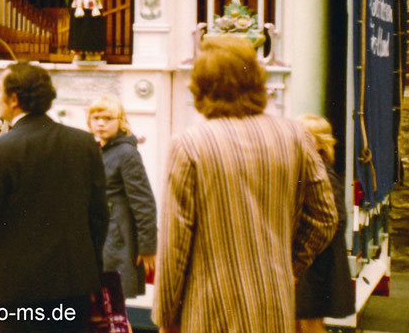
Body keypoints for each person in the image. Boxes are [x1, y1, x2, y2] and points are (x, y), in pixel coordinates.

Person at [153, 35, 338, 333]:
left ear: (203, 87)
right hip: (273, 303)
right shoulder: (295, 136)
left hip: (209, 309)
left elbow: (175, 243)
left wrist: (166, 317)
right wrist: (291, 265)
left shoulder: (189, 145)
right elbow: (324, 217)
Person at [0, 62, 108, 332]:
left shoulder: (1, 150)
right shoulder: (84, 143)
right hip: (72, 284)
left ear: (14, 99)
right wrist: (90, 271)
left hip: (18, 290)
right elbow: (99, 216)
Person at [87, 96, 157, 299]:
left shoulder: (126, 153)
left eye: (108, 118)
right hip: (103, 238)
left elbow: (143, 202)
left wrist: (147, 247)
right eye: (96, 117)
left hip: (117, 241)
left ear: (120, 121)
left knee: (112, 309)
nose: (100, 123)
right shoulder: (100, 150)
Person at [294, 115, 356, 333]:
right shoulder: (314, 169)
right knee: (303, 320)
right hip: (315, 261)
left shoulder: (322, 173)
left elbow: (337, 219)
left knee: (310, 323)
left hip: (316, 264)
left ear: (319, 143)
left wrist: (309, 247)